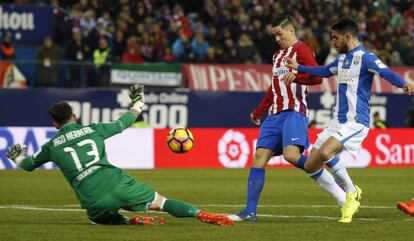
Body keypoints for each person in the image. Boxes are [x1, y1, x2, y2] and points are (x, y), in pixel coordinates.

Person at [5, 84, 234, 226]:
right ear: (74, 116)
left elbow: (27, 164)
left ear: (54, 124)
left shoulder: (51, 145)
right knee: (161, 203)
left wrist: (16, 157)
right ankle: (200, 214)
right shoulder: (92, 129)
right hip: (116, 182)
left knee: (95, 219)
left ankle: (128, 220)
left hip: (93, 200)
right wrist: (138, 103)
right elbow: (122, 123)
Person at [285, 17, 414, 223]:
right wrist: (299, 67)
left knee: (327, 151)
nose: (332, 42)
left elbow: (386, 72)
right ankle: (350, 192)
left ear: (348, 37)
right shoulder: (341, 60)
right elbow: (324, 72)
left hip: (356, 122)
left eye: (335, 38)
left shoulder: (366, 58)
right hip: (337, 122)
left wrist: (403, 83)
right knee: (310, 165)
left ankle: (351, 193)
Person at [228, 15, 349, 222]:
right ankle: (250, 211)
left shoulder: (302, 50)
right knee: (259, 158)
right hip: (274, 115)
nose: (277, 39)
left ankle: (339, 193)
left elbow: (317, 78)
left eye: (279, 34)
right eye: (274, 35)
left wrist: (298, 76)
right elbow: (274, 88)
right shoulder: (277, 57)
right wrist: (259, 111)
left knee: (291, 155)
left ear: (291, 31)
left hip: (294, 111)